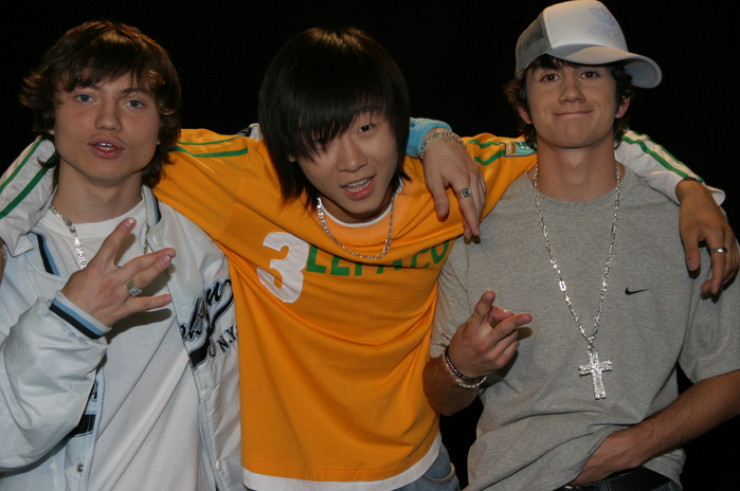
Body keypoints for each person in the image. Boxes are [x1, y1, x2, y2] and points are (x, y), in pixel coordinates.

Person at [0, 25, 734, 491]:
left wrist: (692, 189)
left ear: (396, 123)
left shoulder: (458, 181)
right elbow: (89, 142)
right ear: (286, 147)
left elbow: (581, 135)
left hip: (418, 471)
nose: (350, 161)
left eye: (369, 129)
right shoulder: (243, 176)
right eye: (319, 141)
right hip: (275, 478)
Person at [423, 2, 740, 490]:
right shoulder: (473, 226)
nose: (570, 91)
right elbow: (442, 400)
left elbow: (731, 373)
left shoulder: (685, 225)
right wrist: (462, 365)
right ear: (523, 107)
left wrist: (636, 446)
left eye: (590, 73)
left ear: (622, 99)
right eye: (550, 76)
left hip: (640, 477)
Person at [0, 21, 241, 490]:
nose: (108, 120)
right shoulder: (14, 257)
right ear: (51, 115)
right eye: (85, 97)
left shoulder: (203, 243)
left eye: (134, 102)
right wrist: (71, 322)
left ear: (163, 126)